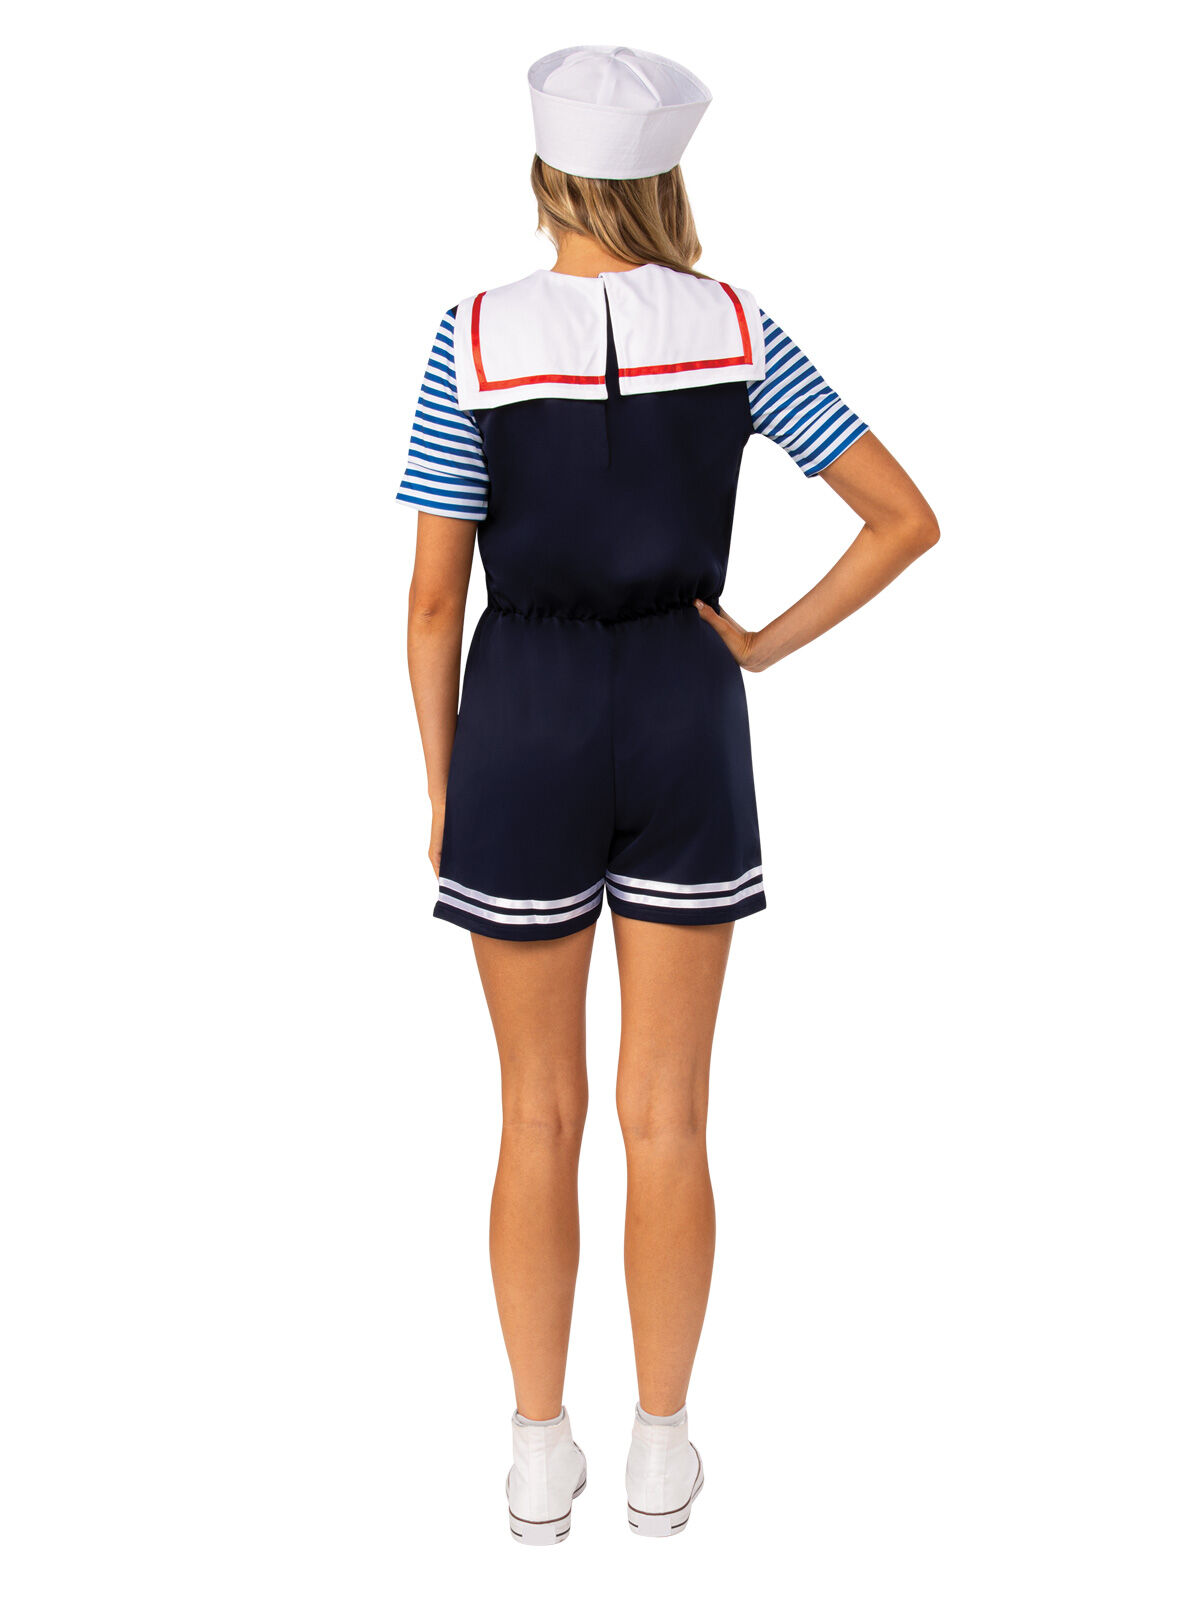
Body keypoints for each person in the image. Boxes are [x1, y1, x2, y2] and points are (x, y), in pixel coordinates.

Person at [398, 44, 939, 1544]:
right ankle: (659, 1451)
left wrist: (445, 787)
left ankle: (535, 1457)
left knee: (534, 1112)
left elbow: (434, 604)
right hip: (688, 715)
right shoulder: (740, 327)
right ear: (664, 176)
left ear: (546, 171)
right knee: (670, 1117)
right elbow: (904, 519)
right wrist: (754, 643)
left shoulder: (473, 336)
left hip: (522, 717)